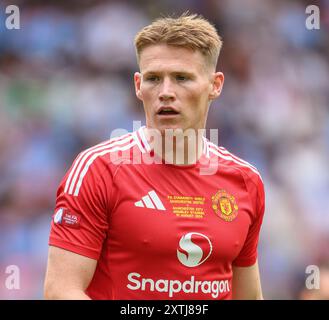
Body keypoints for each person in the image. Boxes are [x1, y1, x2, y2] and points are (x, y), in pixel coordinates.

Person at [44, 13, 265, 300]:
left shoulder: (246, 181)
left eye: (182, 78)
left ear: (215, 85)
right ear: (138, 85)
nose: (166, 92)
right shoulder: (98, 169)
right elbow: (60, 290)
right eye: (153, 79)